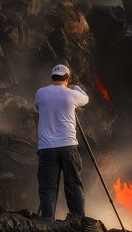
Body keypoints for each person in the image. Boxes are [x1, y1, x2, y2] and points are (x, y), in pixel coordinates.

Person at [34, 64, 89, 219]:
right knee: (73, 185)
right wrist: (75, 87)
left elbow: (38, 107)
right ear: (67, 78)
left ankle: (47, 222)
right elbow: (86, 99)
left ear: (52, 78)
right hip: (68, 147)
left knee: (47, 188)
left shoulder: (41, 93)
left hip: (47, 148)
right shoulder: (71, 95)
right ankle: (78, 223)